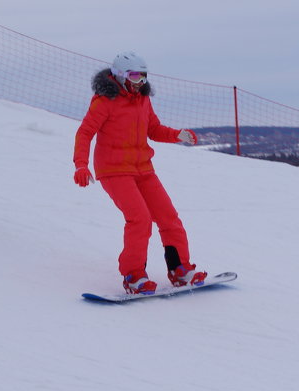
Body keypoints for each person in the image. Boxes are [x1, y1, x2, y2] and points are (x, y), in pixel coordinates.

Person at [73, 52, 205, 295]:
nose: (141, 81)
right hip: (113, 171)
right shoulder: (105, 101)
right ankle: (133, 276)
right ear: (121, 75)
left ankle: (180, 270)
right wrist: (81, 165)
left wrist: (177, 134)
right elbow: (85, 133)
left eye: (143, 75)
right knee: (140, 219)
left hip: (143, 168)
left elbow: (153, 129)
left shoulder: (143, 99)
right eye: (135, 75)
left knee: (169, 218)